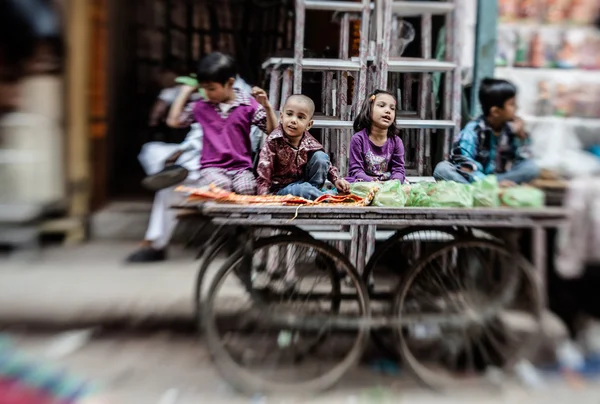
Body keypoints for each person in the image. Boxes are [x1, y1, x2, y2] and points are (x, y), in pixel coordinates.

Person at [127, 76, 264, 263]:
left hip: (223, 174)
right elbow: (180, 125)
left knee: (172, 184)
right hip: (204, 169)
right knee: (164, 180)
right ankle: (155, 243)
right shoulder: (208, 105)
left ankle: (155, 243)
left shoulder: (245, 104)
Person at [167, 52, 277, 194]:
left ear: (230, 83)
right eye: (204, 88)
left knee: (247, 189)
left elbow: (274, 133)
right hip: (211, 168)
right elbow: (173, 121)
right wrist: (184, 92)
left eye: (211, 89)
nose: (207, 93)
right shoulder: (201, 106)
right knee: (221, 187)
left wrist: (267, 107)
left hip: (241, 169)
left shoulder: (248, 105)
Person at [433, 78, 539, 185]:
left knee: (531, 168)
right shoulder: (473, 131)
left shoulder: (511, 130)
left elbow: (523, 158)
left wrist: (521, 137)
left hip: (500, 178)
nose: (517, 108)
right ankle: (491, 188)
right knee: (442, 169)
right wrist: (485, 181)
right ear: (496, 111)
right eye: (512, 104)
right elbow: (464, 162)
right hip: (477, 178)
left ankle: (492, 188)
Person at [256, 94, 350, 200]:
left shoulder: (309, 141)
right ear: (281, 117)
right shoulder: (273, 141)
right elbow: (264, 170)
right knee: (302, 190)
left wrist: (337, 179)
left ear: (309, 125)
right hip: (280, 189)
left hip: (305, 184)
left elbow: (326, 165)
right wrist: (263, 197)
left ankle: (314, 192)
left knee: (321, 157)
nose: (293, 120)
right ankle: (324, 197)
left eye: (300, 117)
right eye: (289, 114)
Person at [346, 90, 406, 184]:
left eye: (392, 108)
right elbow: (356, 170)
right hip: (365, 183)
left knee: (406, 186)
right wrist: (373, 182)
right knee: (348, 183)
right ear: (369, 110)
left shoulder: (396, 141)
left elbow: (398, 170)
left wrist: (393, 183)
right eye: (381, 106)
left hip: (389, 184)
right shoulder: (358, 139)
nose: (388, 111)